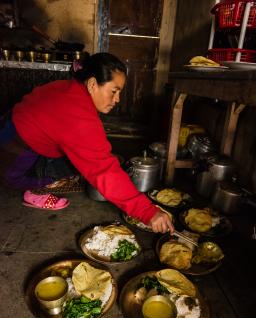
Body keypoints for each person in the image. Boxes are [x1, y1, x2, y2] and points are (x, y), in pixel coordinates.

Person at [6, 52, 174, 233]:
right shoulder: (77, 114)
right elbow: (103, 171)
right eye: (114, 91)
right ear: (93, 84)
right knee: (81, 168)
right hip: (11, 159)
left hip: (12, 132)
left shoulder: (69, 88)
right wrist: (148, 212)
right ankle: (33, 190)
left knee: (87, 158)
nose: (117, 99)